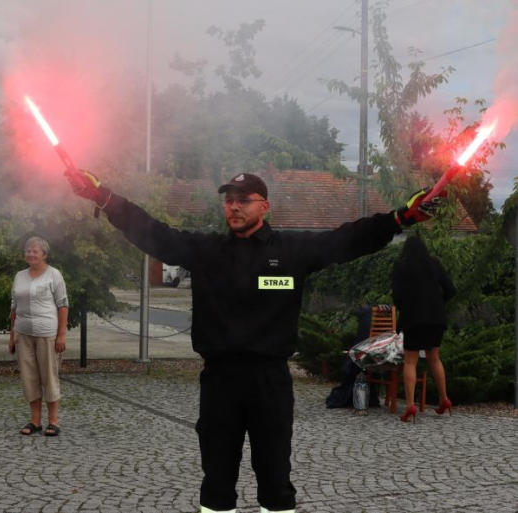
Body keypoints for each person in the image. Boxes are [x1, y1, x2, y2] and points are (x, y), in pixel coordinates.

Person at [64, 169, 442, 513]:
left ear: (264, 205)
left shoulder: (291, 252)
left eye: (243, 200)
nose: (234, 206)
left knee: (276, 481)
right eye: (228, 200)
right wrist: (106, 199)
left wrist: (400, 218)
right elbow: (152, 232)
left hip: (270, 381)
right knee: (216, 483)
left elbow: (347, 239)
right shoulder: (205, 251)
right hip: (219, 382)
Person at [391, 235, 456, 423]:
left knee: (410, 361)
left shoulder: (401, 266)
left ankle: (411, 405)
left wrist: (408, 307)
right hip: (436, 318)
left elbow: (397, 296)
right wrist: (437, 304)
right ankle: (444, 399)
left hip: (413, 319)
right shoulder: (434, 263)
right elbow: (451, 290)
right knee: (434, 358)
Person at [9, 236, 69, 437]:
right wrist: (12, 336)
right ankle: (35, 421)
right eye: (28, 250)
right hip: (23, 333)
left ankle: (53, 421)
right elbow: (14, 307)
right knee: (29, 378)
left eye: (35, 251)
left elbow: (63, 305)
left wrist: (61, 335)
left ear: (44, 254)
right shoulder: (19, 276)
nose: (31, 254)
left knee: (49, 377)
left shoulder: (54, 275)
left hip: (47, 333)